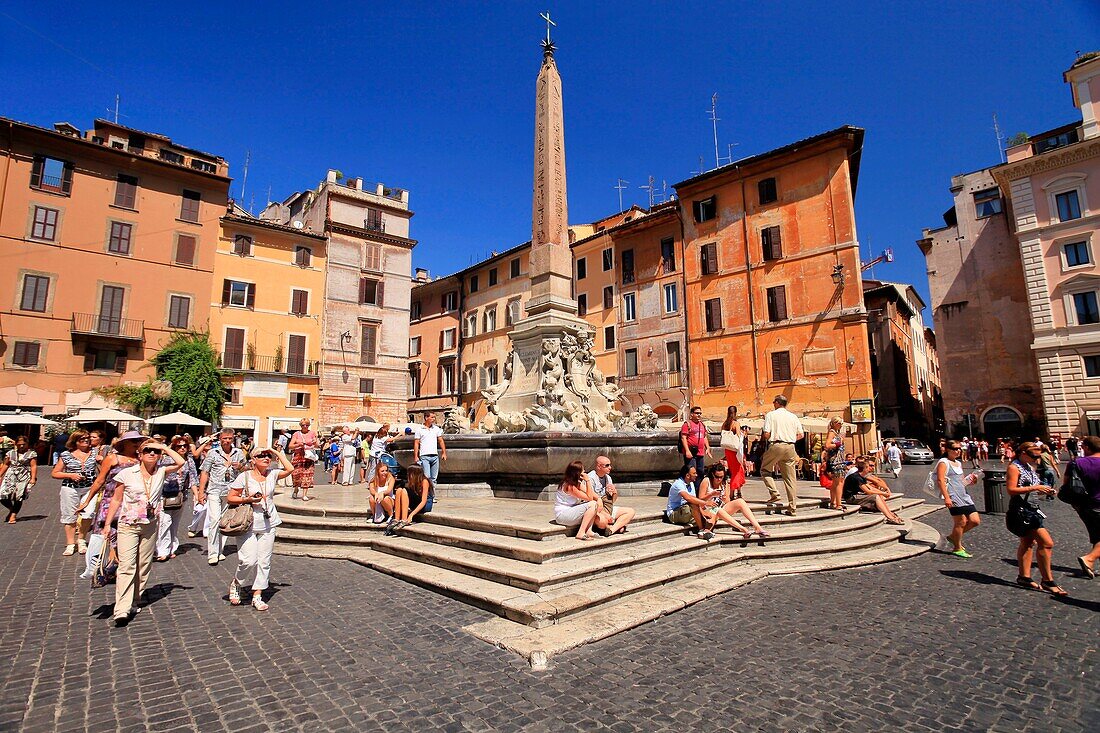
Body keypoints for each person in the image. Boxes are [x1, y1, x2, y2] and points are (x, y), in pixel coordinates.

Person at [100, 440, 184, 625]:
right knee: (127, 566)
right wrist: (107, 524)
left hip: (150, 524)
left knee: (143, 564)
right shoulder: (127, 473)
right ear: (140, 454)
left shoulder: (161, 472)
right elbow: (116, 500)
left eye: (155, 451)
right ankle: (121, 609)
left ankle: (135, 599)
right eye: (148, 450)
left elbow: (180, 462)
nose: (152, 453)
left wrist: (163, 447)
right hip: (128, 524)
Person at [226, 448, 293, 611]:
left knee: (264, 561)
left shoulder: (272, 474)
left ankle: (257, 595)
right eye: (261, 455)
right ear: (252, 460)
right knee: (249, 560)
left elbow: (290, 469)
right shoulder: (245, 477)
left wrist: (276, 453)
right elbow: (230, 497)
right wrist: (247, 499)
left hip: (269, 523)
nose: (265, 458)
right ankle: (237, 582)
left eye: (267, 456)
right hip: (248, 523)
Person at [76, 432, 144, 580]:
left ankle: (116, 568)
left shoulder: (140, 459)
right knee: (104, 534)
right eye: (133, 440)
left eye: (138, 440)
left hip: (130, 503)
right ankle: (95, 566)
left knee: (123, 536)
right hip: (110, 501)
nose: (136, 443)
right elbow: (100, 481)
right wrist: (87, 501)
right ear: (124, 443)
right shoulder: (113, 458)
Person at [1005, 442, 1067, 596]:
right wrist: (1036, 488)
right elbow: (1011, 490)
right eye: (1034, 456)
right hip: (1021, 510)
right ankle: (1047, 581)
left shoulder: (1029, 467)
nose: (1037, 459)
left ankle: (1024, 577)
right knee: (1046, 543)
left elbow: (1030, 489)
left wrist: (1045, 491)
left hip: (1032, 508)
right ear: (1023, 453)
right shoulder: (1014, 467)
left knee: (1027, 542)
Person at [197, 428, 246, 566]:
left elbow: (246, 468)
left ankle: (219, 550)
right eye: (224, 438)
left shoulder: (238, 452)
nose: (227, 441)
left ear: (233, 439)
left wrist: (240, 466)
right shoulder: (213, 453)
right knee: (214, 520)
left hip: (231, 491)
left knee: (225, 521)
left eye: (229, 438)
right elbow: (205, 472)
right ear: (220, 439)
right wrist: (201, 491)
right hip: (214, 490)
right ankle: (212, 553)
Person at [52, 430, 98, 556]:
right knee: (70, 516)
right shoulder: (66, 455)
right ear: (75, 441)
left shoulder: (94, 453)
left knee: (88, 514)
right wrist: (70, 475)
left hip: (90, 488)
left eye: (87, 438)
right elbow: (55, 473)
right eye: (82, 439)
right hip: (70, 488)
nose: (86, 440)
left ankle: (82, 539)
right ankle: (71, 543)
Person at [759, 395, 804, 516]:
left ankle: (775, 494)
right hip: (790, 446)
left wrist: (774, 437)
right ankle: (792, 507)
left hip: (776, 445)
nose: (773, 403)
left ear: (778, 403)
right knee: (790, 479)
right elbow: (801, 434)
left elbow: (767, 434)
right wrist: (789, 438)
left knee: (765, 469)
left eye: (774, 401)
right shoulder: (793, 416)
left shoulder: (771, 415)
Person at [698, 462, 768, 539]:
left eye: (721, 477)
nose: (719, 479)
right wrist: (711, 495)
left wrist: (724, 498)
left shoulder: (724, 483)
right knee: (717, 509)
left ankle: (757, 527)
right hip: (707, 508)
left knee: (740, 501)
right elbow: (700, 500)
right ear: (712, 474)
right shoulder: (706, 481)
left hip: (720, 508)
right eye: (717, 477)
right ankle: (743, 529)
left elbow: (727, 501)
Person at [936, 440, 981, 558]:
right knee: (960, 522)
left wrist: (971, 481)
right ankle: (957, 547)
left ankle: (953, 537)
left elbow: (961, 480)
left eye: (959, 449)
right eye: (955, 449)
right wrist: (946, 498)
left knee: (975, 520)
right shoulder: (943, 462)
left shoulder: (958, 463)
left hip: (963, 494)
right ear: (948, 450)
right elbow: (940, 480)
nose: (958, 451)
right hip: (952, 495)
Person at [1063, 435, 1100, 579]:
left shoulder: (1076, 463)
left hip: (1083, 506)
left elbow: (1066, 484)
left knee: (1097, 535)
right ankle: (1089, 558)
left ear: (1087, 447)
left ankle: (1089, 564)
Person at [156, 436, 198, 561]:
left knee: (175, 523)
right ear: (174, 447)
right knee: (165, 522)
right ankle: (162, 550)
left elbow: (193, 478)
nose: (182, 448)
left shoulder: (189, 461)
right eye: (179, 446)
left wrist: (197, 495)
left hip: (181, 496)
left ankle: (172, 548)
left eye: (185, 446)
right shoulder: (167, 459)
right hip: (166, 495)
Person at [842, 459, 905, 525]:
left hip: (856, 495)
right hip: (851, 498)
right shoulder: (856, 477)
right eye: (868, 466)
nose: (870, 468)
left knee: (879, 496)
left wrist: (884, 492)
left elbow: (870, 488)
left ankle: (890, 514)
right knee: (876, 496)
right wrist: (883, 493)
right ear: (865, 468)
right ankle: (890, 517)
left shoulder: (860, 476)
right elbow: (868, 491)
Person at [587, 455, 636, 536]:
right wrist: (605, 514)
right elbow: (590, 500)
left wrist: (615, 492)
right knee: (603, 521)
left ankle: (611, 530)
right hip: (595, 509)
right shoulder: (590, 478)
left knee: (630, 511)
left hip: (607, 508)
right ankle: (614, 527)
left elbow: (612, 501)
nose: (610, 467)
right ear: (599, 466)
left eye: (610, 465)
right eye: (607, 465)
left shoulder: (608, 478)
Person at [553, 460, 599, 540]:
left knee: (594, 504)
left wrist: (599, 499)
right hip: (563, 515)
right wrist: (587, 480)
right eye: (583, 470)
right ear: (578, 473)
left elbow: (592, 495)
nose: (584, 472)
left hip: (571, 511)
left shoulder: (577, 483)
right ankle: (581, 533)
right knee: (592, 504)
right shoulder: (569, 486)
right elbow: (590, 498)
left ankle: (588, 530)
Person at [0, 435, 37, 523]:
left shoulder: (31, 453)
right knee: (2, 495)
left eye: (23, 444)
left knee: (18, 496)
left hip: (23, 475)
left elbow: (33, 466)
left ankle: (13, 515)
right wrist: (0, 474)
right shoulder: (10, 453)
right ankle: (12, 509)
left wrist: (33, 478)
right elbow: (6, 464)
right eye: (19, 444)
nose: (21, 446)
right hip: (11, 475)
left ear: (27, 444)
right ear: (16, 444)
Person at [391, 464, 435, 533]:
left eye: (409, 473)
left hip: (425, 504)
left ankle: (404, 519)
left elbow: (423, 501)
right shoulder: (412, 481)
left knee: (404, 491)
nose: (408, 475)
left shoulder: (424, 481)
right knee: (399, 490)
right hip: (417, 501)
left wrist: (411, 515)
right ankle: (396, 519)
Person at [679, 406, 711, 489]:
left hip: (700, 452)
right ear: (692, 414)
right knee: (691, 472)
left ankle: (698, 491)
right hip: (691, 452)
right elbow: (683, 438)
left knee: (700, 472)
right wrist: (687, 451)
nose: (699, 415)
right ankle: (689, 490)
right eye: (697, 413)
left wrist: (707, 448)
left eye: (700, 413)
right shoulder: (687, 424)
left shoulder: (702, 425)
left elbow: (704, 437)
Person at [288, 418, 319, 500]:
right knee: (296, 475)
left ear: (309, 425)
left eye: (307, 425)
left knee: (307, 474)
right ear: (300, 425)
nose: (305, 426)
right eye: (303, 425)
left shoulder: (312, 433)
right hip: (298, 456)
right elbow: (290, 446)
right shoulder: (296, 434)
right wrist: (298, 445)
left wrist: (315, 442)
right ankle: (295, 489)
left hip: (308, 457)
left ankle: (304, 494)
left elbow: (317, 446)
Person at [187, 437, 211, 538]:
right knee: (198, 509)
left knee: (210, 510)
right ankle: (193, 527)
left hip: (211, 485)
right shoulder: (196, 457)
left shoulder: (215, 454)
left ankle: (207, 530)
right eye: (207, 444)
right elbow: (196, 456)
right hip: (198, 485)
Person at [719, 406, 748, 492]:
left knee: (733, 470)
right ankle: (732, 491)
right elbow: (739, 436)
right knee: (738, 470)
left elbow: (722, 434)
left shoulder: (725, 423)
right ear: (735, 412)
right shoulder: (736, 423)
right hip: (735, 450)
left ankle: (738, 491)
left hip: (728, 450)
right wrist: (743, 434)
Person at [413, 412, 447, 485]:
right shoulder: (419, 429)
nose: (434, 419)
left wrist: (444, 452)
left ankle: (432, 495)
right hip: (424, 456)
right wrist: (416, 456)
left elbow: (440, 440)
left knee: (434, 478)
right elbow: (416, 443)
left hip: (435, 456)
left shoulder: (436, 429)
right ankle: (427, 495)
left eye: (434, 417)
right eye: (432, 417)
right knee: (426, 477)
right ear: (426, 418)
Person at [822, 418, 847, 511]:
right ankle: (839, 503)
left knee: (836, 483)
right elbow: (827, 445)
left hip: (839, 459)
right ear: (834, 423)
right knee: (839, 483)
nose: (841, 425)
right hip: (836, 460)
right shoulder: (832, 432)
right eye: (839, 423)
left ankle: (833, 502)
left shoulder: (837, 433)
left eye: (841, 423)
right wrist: (837, 444)